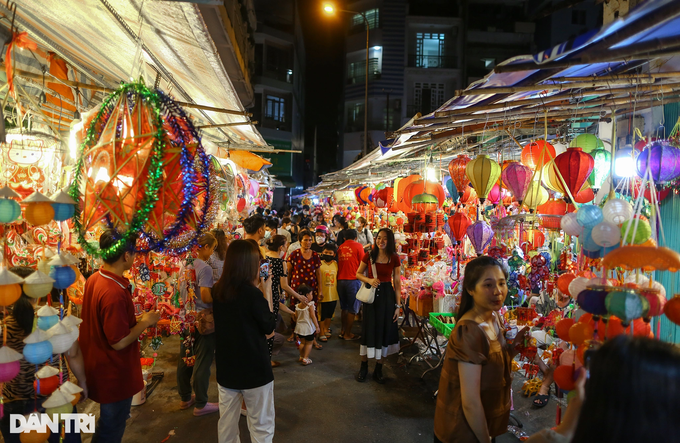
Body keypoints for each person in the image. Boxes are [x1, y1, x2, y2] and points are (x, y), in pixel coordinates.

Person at [434, 255, 530, 443]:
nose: (498, 291)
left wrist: (513, 349)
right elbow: (470, 403)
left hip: (483, 425)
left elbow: (490, 364)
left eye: (501, 283)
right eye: (488, 285)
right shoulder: (470, 330)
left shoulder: (493, 317)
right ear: (470, 289)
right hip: (462, 432)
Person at [80, 229, 161, 443]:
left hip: (99, 366)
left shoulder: (95, 279)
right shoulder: (113, 292)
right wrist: (145, 322)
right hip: (113, 373)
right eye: (133, 253)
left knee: (109, 423)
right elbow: (118, 341)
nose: (134, 258)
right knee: (111, 427)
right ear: (126, 255)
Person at [0, 268, 87, 443]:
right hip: (57, 400)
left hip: (15, 403)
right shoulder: (55, 322)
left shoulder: (3, 328)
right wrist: (83, 381)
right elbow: (74, 354)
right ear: (37, 292)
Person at [212, 240, 277, 443]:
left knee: (227, 423)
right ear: (249, 264)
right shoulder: (253, 295)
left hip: (227, 368)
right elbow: (269, 328)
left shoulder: (218, 290)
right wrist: (266, 291)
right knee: (261, 425)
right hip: (254, 369)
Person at [177, 233, 220, 416]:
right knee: (202, 360)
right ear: (205, 247)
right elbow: (205, 296)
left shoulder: (184, 264)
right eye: (212, 248)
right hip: (202, 319)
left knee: (186, 357)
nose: (212, 253)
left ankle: (185, 398)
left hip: (185, 317)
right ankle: (201, 404)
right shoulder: (204, 268)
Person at [354, 228, 402, 384]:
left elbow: (397, 283)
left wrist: (397, 305)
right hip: (372, 297)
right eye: (379, 238)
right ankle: (364, 367)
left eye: (385, 238)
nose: (381, 241)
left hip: (388, 297)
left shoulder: (394, 258)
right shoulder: (369, 255)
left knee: (384, 331)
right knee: (368, 330)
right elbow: (358, 273)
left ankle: (379, 369)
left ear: (390, 241)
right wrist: (369, 280)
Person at [264, 234, 299, 367]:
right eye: (286, 244)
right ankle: (267, 361)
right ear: (281, 247)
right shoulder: (281, 262)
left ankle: (265, 358)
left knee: (265, 329)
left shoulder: (265, 259)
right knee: (270, 332)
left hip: (264, 295)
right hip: (273, 295)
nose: (287, 246)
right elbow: (284, 285)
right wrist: (298, 296)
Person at [287, 230, 323, 350]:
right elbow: (289, 273)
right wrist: (287, 289)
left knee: (312, 311)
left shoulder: (315, 255)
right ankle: (294, 333)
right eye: (305, 240)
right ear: (300, 241)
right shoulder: (294, 254)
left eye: (310, 240)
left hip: (311, 289)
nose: (308, 242)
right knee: (295, 310)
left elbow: (318, 273)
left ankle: (312, 338)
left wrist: (321, 290)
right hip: (296, 289)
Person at [337, 229, 364, 341]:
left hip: (340, 280)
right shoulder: (358, 246)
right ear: (356, 237)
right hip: (353, 280)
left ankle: (343, 331)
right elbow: (364, 262)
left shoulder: (340, 247)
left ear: (344, 238)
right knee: (352, 309)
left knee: (344, 307)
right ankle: (348, 334)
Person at [317, 243, 339, 341]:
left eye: (330, 253)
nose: (327, 254)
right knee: (322, 314)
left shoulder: (336, 264)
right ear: (322, 253)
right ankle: (321, 332)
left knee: (330, 314)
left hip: (333, 295)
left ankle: (326, 329)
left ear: (334, 255)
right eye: (326, 252)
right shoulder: (319, 264)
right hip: (322, 294)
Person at [294, 284, 320, 366]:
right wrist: (317, 326)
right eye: (311, 294)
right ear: (307, 295)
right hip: (308, 328)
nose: (312, 296)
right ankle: (306, 358)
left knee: (302, 342)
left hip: (300, 328)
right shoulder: (310, 305)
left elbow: (295, 317)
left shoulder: (297, 306)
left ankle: (301, 356)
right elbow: (313, 316)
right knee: (309, 343)